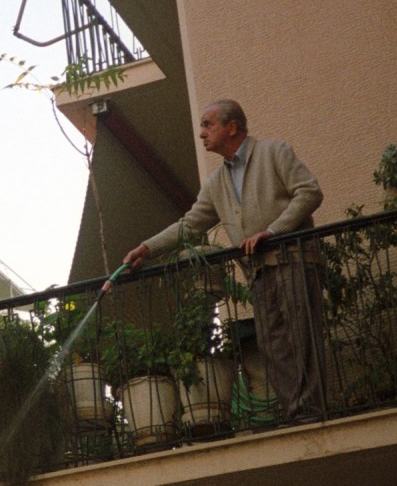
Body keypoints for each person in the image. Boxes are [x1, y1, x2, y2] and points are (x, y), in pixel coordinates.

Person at [123, 99, 326, 421]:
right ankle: (296, 413)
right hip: (259, 270)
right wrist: (147, 248)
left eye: (208, 124)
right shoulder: (216, 181)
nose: (202, 133)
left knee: (301, 337)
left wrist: (273, 231)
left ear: (232, 127)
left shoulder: (275, 151)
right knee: (273, 347)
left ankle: (311, 412)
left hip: (292, 258)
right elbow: (190, 225)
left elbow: (309, 192)